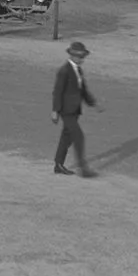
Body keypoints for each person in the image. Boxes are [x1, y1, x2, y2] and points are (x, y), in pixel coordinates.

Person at [51, 41, 100, 178]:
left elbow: (83, 90)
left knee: (66, 137)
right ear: (72, 56)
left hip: (74, 109)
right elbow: (57, 91)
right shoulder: (64, 71)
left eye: (82, 56)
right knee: (78, 136)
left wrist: (93, 103)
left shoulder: (78, 70)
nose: (81, 59)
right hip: (66, 110)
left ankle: (58, 164)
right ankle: (83, 169)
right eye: (79, 56)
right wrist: (55, 110)